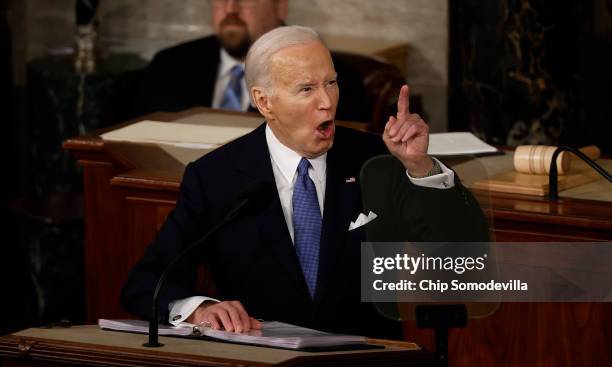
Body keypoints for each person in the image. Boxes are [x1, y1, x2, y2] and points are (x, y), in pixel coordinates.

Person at [121, 26, 487, 339]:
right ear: (264, 102)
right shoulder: (216, 177)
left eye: (331, 83)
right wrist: (199, 309)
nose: (327, 101)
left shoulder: (377, 159)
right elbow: (146, 282)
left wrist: (420, 168)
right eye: (307, 89)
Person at [137, 0, 370, 122]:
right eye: (220, 0)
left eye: (244, 0)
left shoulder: (332, 79)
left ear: (280, 6)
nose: (231, 9)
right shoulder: (168, 66)